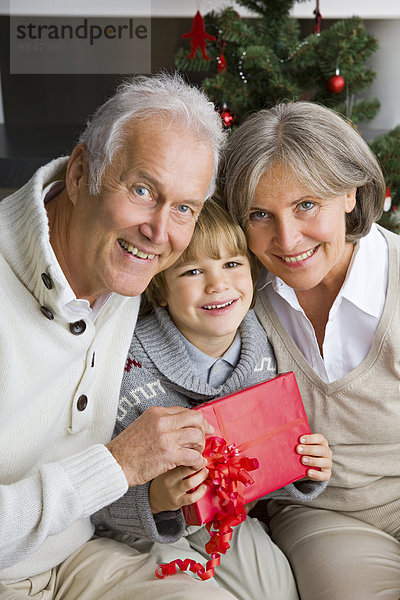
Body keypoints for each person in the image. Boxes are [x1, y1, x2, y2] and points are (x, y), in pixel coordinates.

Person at [0, 72, 236, 600]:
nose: (159, 231)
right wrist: (119, 464)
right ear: (82, 172)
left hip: (78, 556)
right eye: (143, 190)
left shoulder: (128, 270)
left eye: (184, 208)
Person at [93, 199, 332, 600]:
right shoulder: (125, 364)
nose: (218, 284)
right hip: (139, 530)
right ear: (161, 290)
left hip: (229, 520)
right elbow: (94, 484)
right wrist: (153, 500)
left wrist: (302, 466)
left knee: (277, 591)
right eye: (192, 271)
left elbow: (260, 464)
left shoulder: (264, 344)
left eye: (232, 265)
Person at [220, 100, 400, 599]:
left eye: (306, 205)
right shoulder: (238, 299)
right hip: (326, 514)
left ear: (349, 193)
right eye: (260, 214)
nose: (287, 238)